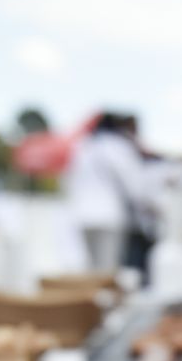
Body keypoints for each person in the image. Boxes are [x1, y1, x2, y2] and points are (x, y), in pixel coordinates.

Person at [65, 111, 157, 277]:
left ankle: (90, 300)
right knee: (106, 273)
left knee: (91, 270)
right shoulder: (117, 146)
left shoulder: (84, 146)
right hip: (108, 217)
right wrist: (151, 207)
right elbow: (134, 185)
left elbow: (69, 180)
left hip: (82, 216)